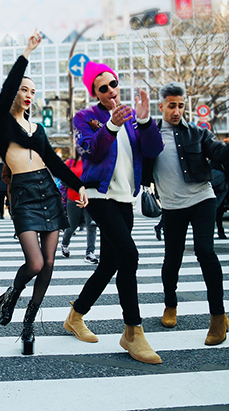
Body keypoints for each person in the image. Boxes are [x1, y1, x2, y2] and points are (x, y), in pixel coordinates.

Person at [0, 30, 88, 355]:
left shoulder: (38, 129)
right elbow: (6, 91)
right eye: (24, 89)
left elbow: (56, 163)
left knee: (48, 264)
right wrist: (26, 52)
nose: (28, 94)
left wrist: (77, 185)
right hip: (23, 194)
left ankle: (29, 324)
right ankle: (10, 296)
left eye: (32, 90)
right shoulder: (0, 124)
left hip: (48, 191)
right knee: (33, 263)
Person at [60, 60, 163, 364]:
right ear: (95, 92)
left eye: (113, 84)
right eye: (102, 88)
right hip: (98, 195)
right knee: (129, 256)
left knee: (109, 264)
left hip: (124, 198)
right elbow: (91, 150)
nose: (110, 91)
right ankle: (133, 332)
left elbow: (153, 151)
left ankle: (76, 315)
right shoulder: (84, 117)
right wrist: (111, 125)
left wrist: (145, 122)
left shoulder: (132, 117)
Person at [149, 83, 229, 346]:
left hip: (202, 198)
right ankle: (170, 305)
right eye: (171, 105)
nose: (177, 110)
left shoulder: (197, 132)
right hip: (171, 205)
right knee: (172, 258)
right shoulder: (151, 134)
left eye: (181, 105)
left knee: (205, 252)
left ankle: (218, 315)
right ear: (161, 106)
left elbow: (219, 153)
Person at [60, 151, 98, 264]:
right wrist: (78, 187)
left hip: (90, 198)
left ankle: (90, 252)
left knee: (91, 225)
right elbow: (63, 179)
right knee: (72, 225)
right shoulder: (70, 162)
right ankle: (64, 243)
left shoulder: (93, 162)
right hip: (74, 198)